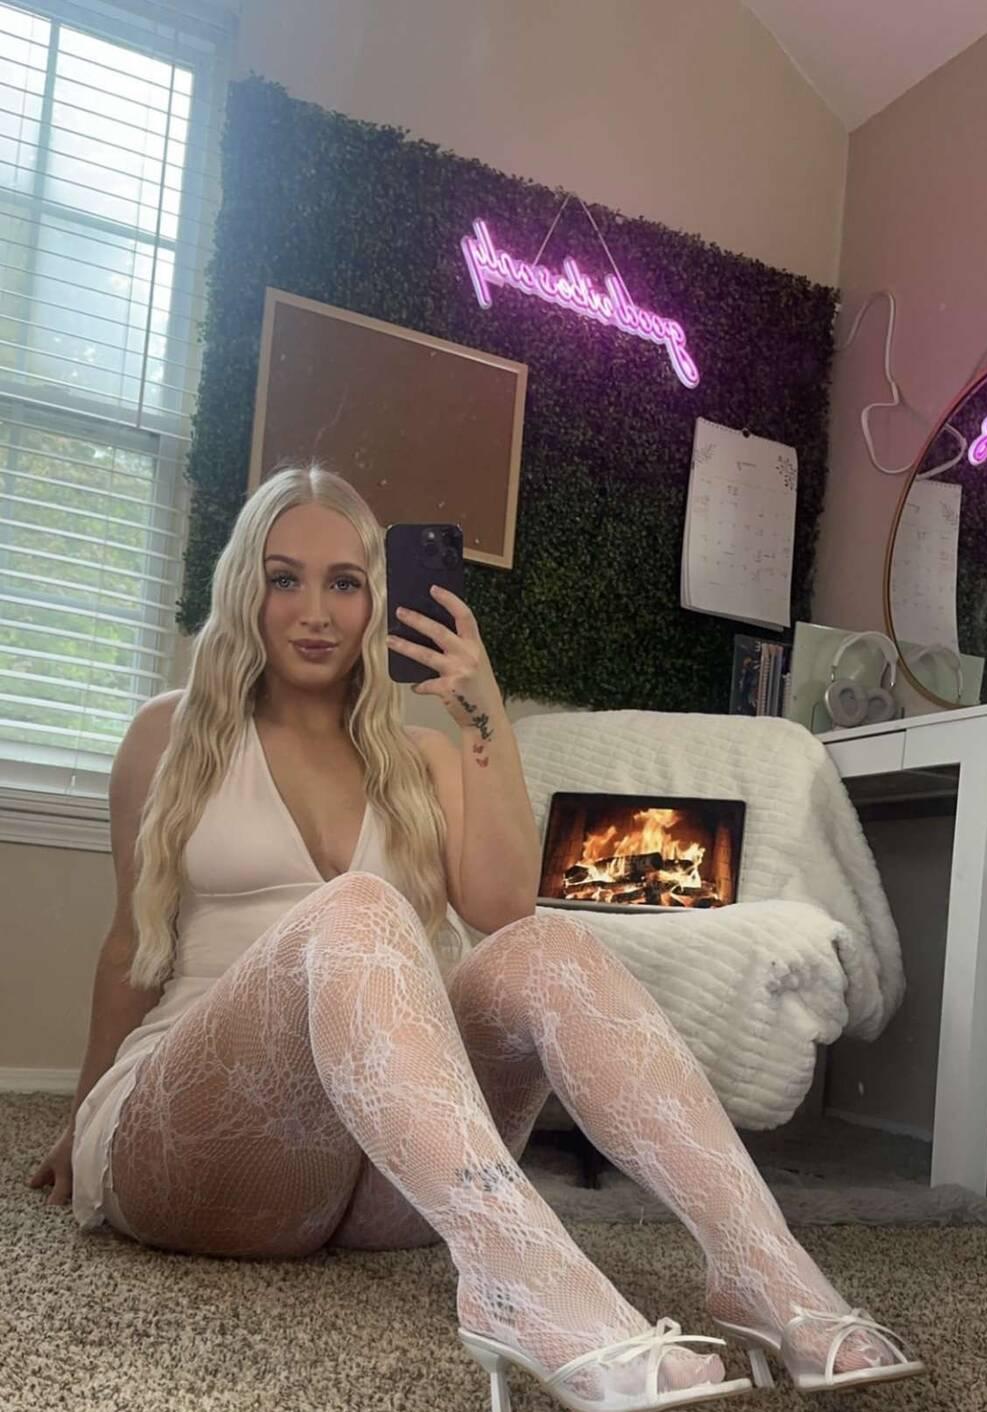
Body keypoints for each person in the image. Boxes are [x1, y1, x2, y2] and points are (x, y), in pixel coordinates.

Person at [29, 466, 922, 1409]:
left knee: (550, 949)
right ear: (244, 587)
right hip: (204, 1139)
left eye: (345, 582)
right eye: (284, 578)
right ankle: (528, 1284)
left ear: (379, 600)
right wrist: (81, 1117)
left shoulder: (424, 758)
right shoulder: (168, 736)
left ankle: (760, 1267)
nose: (315, 612)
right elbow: (130, 944)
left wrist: (483, 712)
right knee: (361, 907)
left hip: (380, 1176)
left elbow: (505, 912)